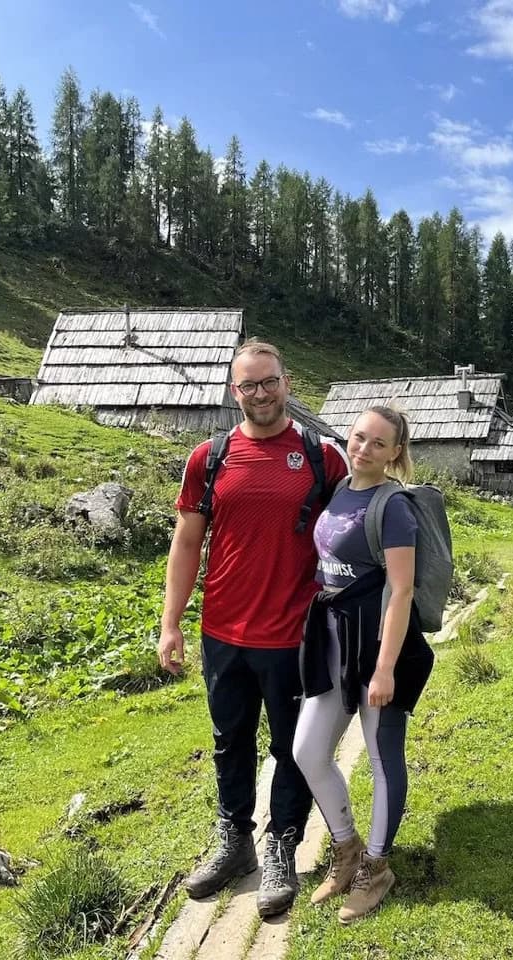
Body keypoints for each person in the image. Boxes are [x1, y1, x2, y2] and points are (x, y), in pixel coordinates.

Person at [158, 339, 348, 918]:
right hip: (223, 632)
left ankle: (282, 846)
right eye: (248, 385)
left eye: (269, 382)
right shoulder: (208, 458)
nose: (260, 393)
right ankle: (235, 841)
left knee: (292, 747)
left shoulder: (323, 457)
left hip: (296, 634)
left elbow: (354, 535)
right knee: (229, 742)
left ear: (287, 383)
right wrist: (171, 624)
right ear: (233, 391)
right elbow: (187, 543)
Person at [292, 405, 434, 924]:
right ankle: (347, 848)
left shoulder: (392, 505)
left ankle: (377, 866)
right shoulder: (338, 491)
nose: (365, 449)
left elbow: (401, 589)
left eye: (379, 443)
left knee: (380, 753)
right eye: (359, 438)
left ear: (396, 452)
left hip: (378, 649)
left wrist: (385, 669)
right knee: (307, 750)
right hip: (332, 643)